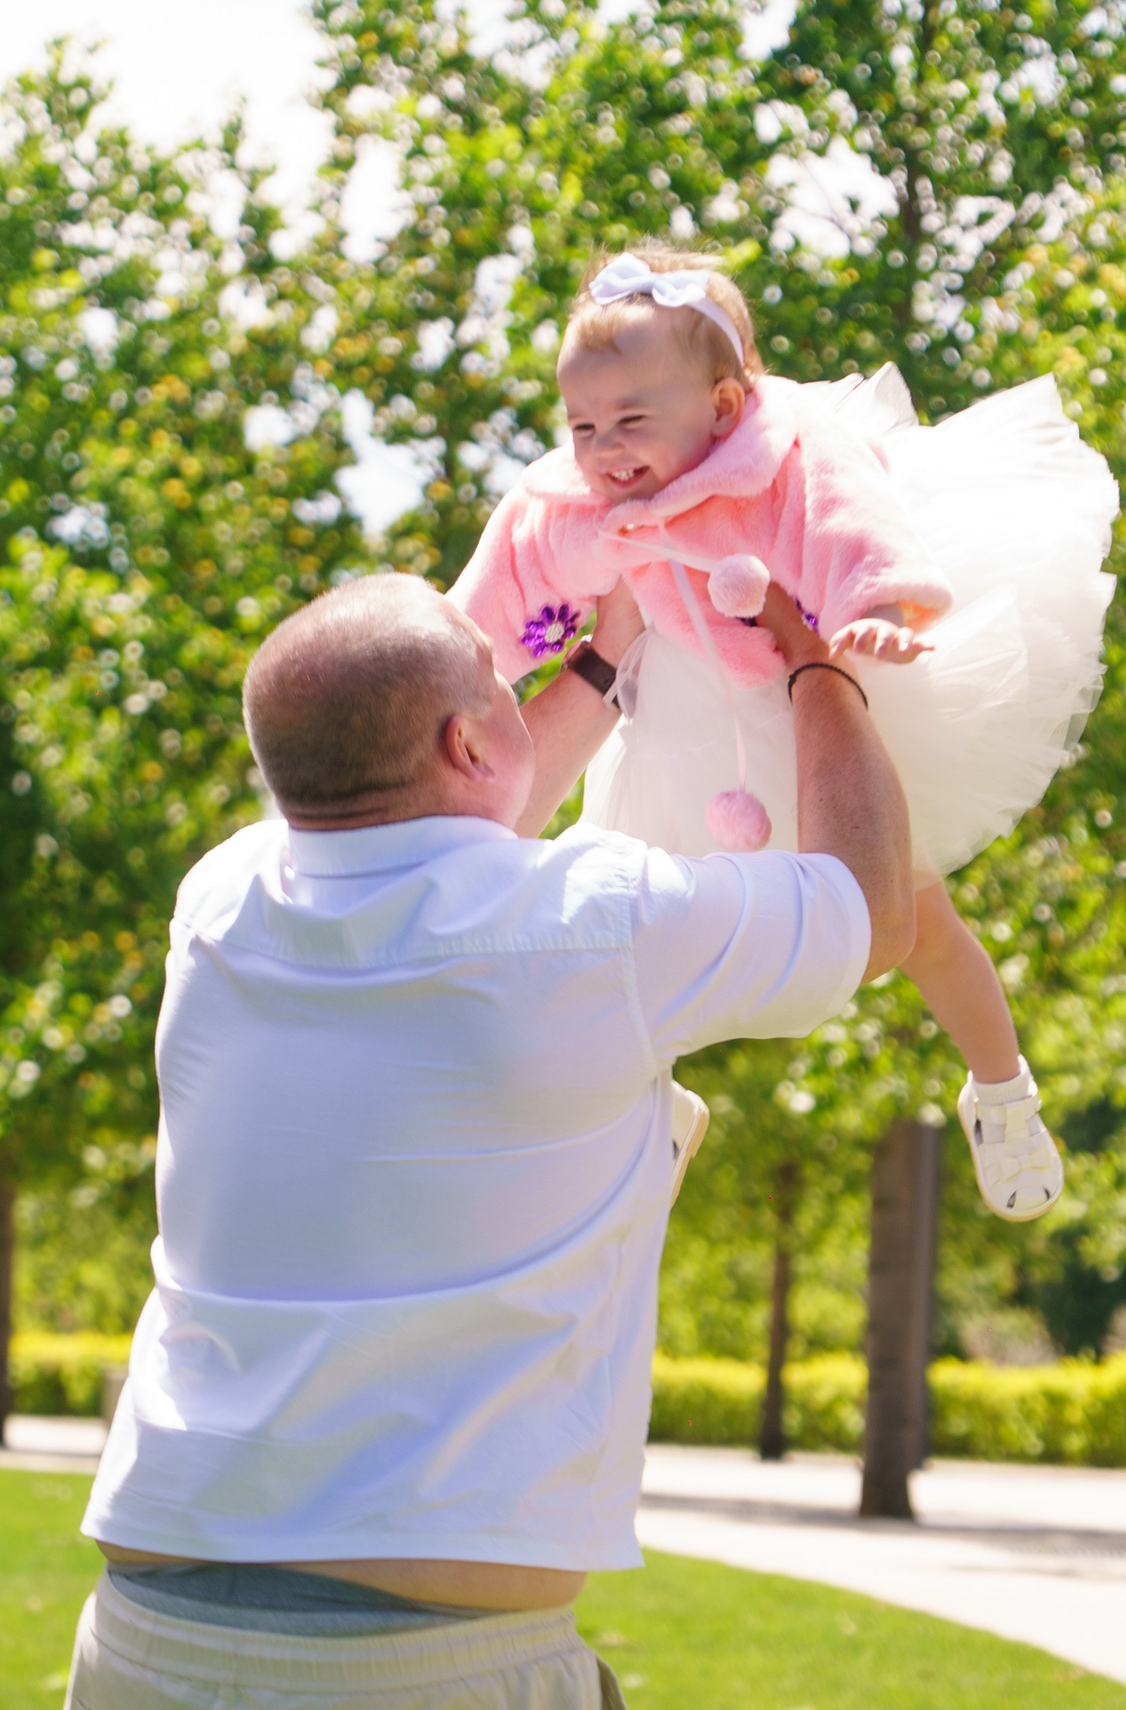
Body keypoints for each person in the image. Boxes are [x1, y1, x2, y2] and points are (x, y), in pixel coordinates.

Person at [67, 571, 916, 1708]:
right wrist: (818, 667)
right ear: (470, 739)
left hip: (142, 1635)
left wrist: (605, 663)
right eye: (504, 688)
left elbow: (440, 831)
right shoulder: (596, 920)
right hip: (420, 1667)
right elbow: (868, 909)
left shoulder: (221, 901)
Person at [448, 245, 1119, 1226]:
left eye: (634, 420)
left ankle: (1001, 1085)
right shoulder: (571, 501)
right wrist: (454, 668)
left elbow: (850, 525)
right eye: (584, 424)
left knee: (916, 922)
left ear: (722, 408)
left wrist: (879, 605)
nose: (605, 449)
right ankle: (649, 1112)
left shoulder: (779, 455)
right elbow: (501, 589)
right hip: (678, 723)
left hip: (803, 707)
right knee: (613, 927)